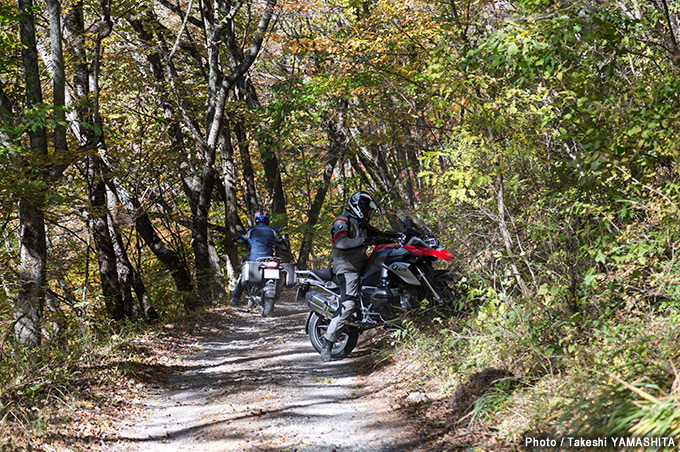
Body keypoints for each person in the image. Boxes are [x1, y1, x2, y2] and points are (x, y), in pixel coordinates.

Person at [320, 191, 380, 362]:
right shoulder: (342, 221)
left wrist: (399, 236)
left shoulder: (360, 224)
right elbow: (340, 242)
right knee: (348, 305)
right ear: (358, 206)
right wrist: (364, 242)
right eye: (366, 208)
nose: (368, 213)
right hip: (347, 269)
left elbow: (377, 235)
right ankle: (328, 342)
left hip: (362, 264)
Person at [230, 209, 281, 306]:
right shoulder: (272, 230)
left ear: (256, 218)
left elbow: (241, 238)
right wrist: (282, 243)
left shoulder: (251, 230)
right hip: (269, 260)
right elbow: (280, 242)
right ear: (267, 219)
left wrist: (235, 239)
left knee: (242, 276)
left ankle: (235, 298)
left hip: (254, 260)